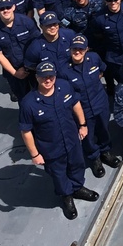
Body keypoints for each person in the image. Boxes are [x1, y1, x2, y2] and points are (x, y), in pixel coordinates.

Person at [19, 61, 97, 220]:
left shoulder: (64, 87)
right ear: (36, 77)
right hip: (51, 147)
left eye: (50, 76)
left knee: (77, 164)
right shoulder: (29, 103)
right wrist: (34, 154)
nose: (47, 80)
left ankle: (77, 187)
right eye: (43, 77)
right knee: (59, 174)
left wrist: (82, 125)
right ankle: (66, 196)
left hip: (72, 139)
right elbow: (26, 131)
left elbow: (76, 104)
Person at [58, 35, 120, 177]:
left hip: (100, 103)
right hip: (83, 109)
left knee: (104, 129)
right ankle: (94, 158)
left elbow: (102, 71)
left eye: (81, 49)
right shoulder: (64, 70)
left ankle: (105, 152)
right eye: (74, 49)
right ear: (70, 50)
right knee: (88, 136)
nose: (77, 52)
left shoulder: (94, 58)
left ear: (86, 50)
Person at [0, 0, 39, 101]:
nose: (5, 10)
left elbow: (37, 44)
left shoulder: (26, 22)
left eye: (8, 7)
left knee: (41, 95)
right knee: (23, 100)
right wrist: (15, 73)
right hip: (14, 71)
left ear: (14, 7)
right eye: (2, 9)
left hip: (34, 67)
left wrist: (28, 66)